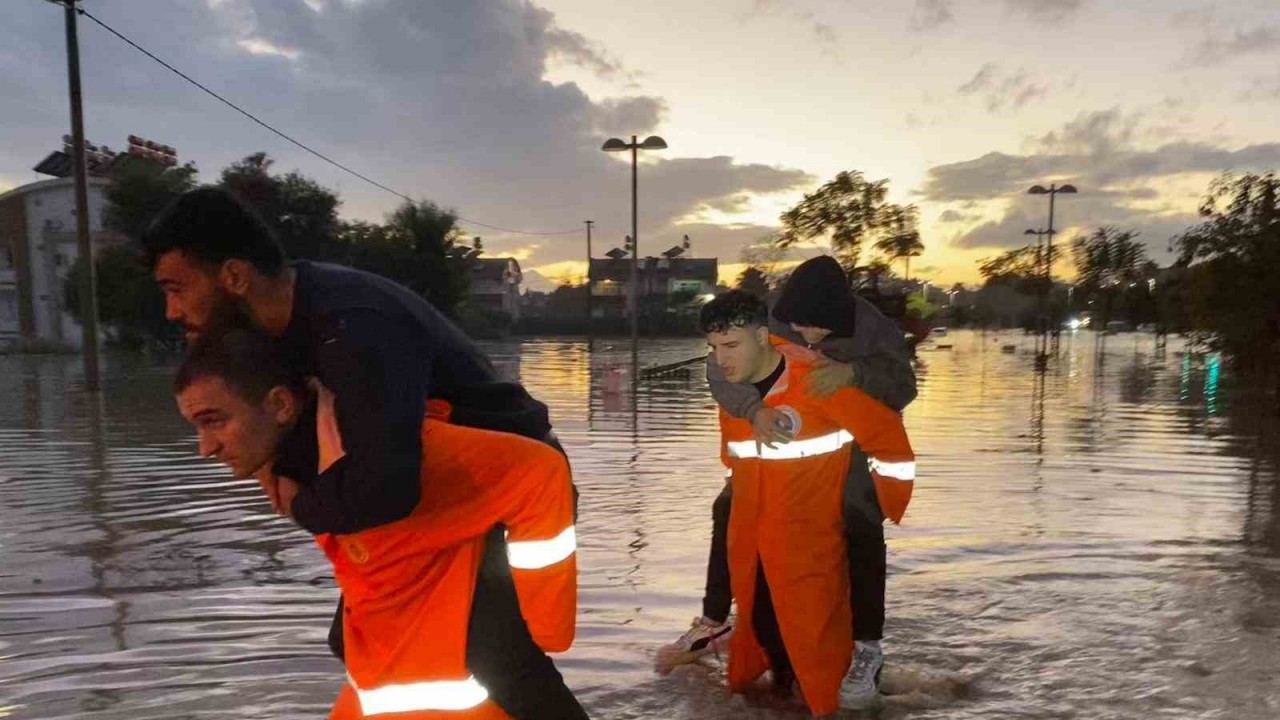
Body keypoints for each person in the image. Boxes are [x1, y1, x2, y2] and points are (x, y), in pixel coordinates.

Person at [144, 187, 578, 718]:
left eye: (176, 288)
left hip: (502, 487)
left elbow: (386, 488)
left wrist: (301, 504)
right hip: (424, 488)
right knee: (351, 641)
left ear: (234, 276)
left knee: (494, 651)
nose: (171, 310)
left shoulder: (354, 326)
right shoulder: (271, 327)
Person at [174, 328, 586, 719]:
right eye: (197, 426)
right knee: (346, 640)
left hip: (509, 514)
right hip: (407, 605)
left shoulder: (395, 454)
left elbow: (539, 471)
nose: (204, 449)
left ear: (281, 405)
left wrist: (548, 624)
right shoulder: (293, 462)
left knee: (506, 663)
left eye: (214, 421)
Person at [659, 255, 916, 706]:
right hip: (775, 435)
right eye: (800, 327)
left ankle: (866, 646)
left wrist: (852, 373)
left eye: (820, 330)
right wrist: (752, 409)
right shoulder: (769, 320)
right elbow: (720, 366)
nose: (808, 336)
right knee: (729, 509)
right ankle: (716, 619)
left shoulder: (873, 328)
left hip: (848, 433)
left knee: (859, 520)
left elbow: (903, 385)